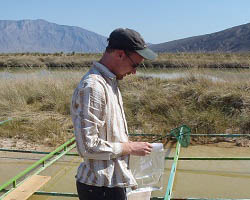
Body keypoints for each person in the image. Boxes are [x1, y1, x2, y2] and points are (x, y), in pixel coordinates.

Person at [71, 28, 158, 200]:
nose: (134, 72)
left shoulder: (110, 82)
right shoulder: (93, 87)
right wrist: (130, 147)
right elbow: (87, 146)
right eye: (135, 65)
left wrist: (128, 145)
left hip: (111, 184)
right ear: (119, 54)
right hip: (99, 189)